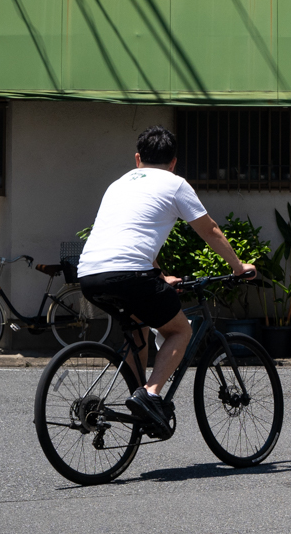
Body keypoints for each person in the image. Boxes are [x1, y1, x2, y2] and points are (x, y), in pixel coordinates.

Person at [78, 126, 255, 439]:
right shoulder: (175, 184)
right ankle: (151, 394)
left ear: (138, 159)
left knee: (139, 331)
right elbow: (210, 230)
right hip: (130, 274)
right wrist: (238, 267)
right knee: (179, 330)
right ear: (173, 162)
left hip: (90, 274)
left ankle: (139, 406)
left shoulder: (118, 185)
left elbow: (132, 241)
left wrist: (159, 277)